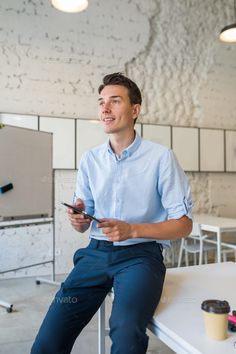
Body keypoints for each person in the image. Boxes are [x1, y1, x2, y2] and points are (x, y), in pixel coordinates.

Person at [31, 72, 192, 354]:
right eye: (101, 102)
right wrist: (78, 218)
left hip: (140, 257)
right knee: (49, 338)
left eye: (114, 101)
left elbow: (183, 225)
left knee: (126, 329)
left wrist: (132, 230)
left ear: (135, 110)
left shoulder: (161, 157)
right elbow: (83, 224)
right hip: (94, 254)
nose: (104, 109)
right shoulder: (90, 160)